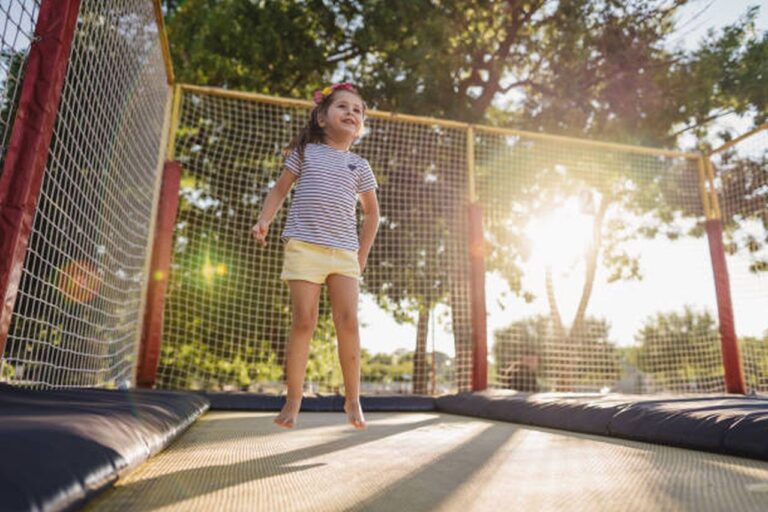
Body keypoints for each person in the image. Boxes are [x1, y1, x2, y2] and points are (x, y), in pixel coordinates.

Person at [252, 82, 379, 429]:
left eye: (358, 110)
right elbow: (279, 190)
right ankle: (293, 400)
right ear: (322, 118)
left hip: (343, 254)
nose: (351, 113)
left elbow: (372, 215)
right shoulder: (305, 153)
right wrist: (265, 220)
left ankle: (353, 399)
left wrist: (361, 256)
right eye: (343, 107)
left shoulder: (360, 166)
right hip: (304, 247)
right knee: (304, 320)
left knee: (348, 321)